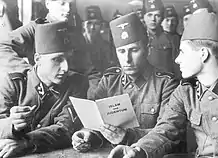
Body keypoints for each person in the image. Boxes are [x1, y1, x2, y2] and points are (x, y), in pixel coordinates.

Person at [108, 11, 218, 158]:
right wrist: (138, 150)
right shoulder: (185, 92)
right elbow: (166, 129)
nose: (177, 59)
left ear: (203, 54)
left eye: (183, 52)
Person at [72, 12, 179, 153]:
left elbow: (168, 132)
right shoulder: (109, 81)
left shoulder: (166, 84)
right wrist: (86, 134)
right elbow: (95, 122)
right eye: (121, 51)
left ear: (147, 49)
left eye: (134, 50)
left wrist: (128, 136)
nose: (127, 59)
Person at [0, 21, 88, 158]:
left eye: (69, 59)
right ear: (37, 59)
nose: (66, 68)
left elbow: (65, 128)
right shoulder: (13, 81)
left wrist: (26, 143)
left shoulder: (77, 83)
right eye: (57, 59)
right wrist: (12, 124)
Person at [0, 0, 101, 93]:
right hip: (44, 94)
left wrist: (94, 93)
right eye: (62, 3)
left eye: (71, 4)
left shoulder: (75, 34)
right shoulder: (35, 28)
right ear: (48, 4)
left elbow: (90, 70)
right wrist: (28, 73)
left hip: (72, 92)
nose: (68, 9)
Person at [143, 0, 181, 79]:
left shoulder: (172, 39)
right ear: (144, 17)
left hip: (166, 84)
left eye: (157, 15)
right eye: (149, 15)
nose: (153, 19)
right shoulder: (139, 39)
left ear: (162, 18)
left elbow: (178, 69)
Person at [83, 5, 115, 74]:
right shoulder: (77, 45)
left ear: (101, 26)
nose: (92, 27)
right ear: (83, 25)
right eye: (89, 23)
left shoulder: (106, 46)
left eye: (96, 24)